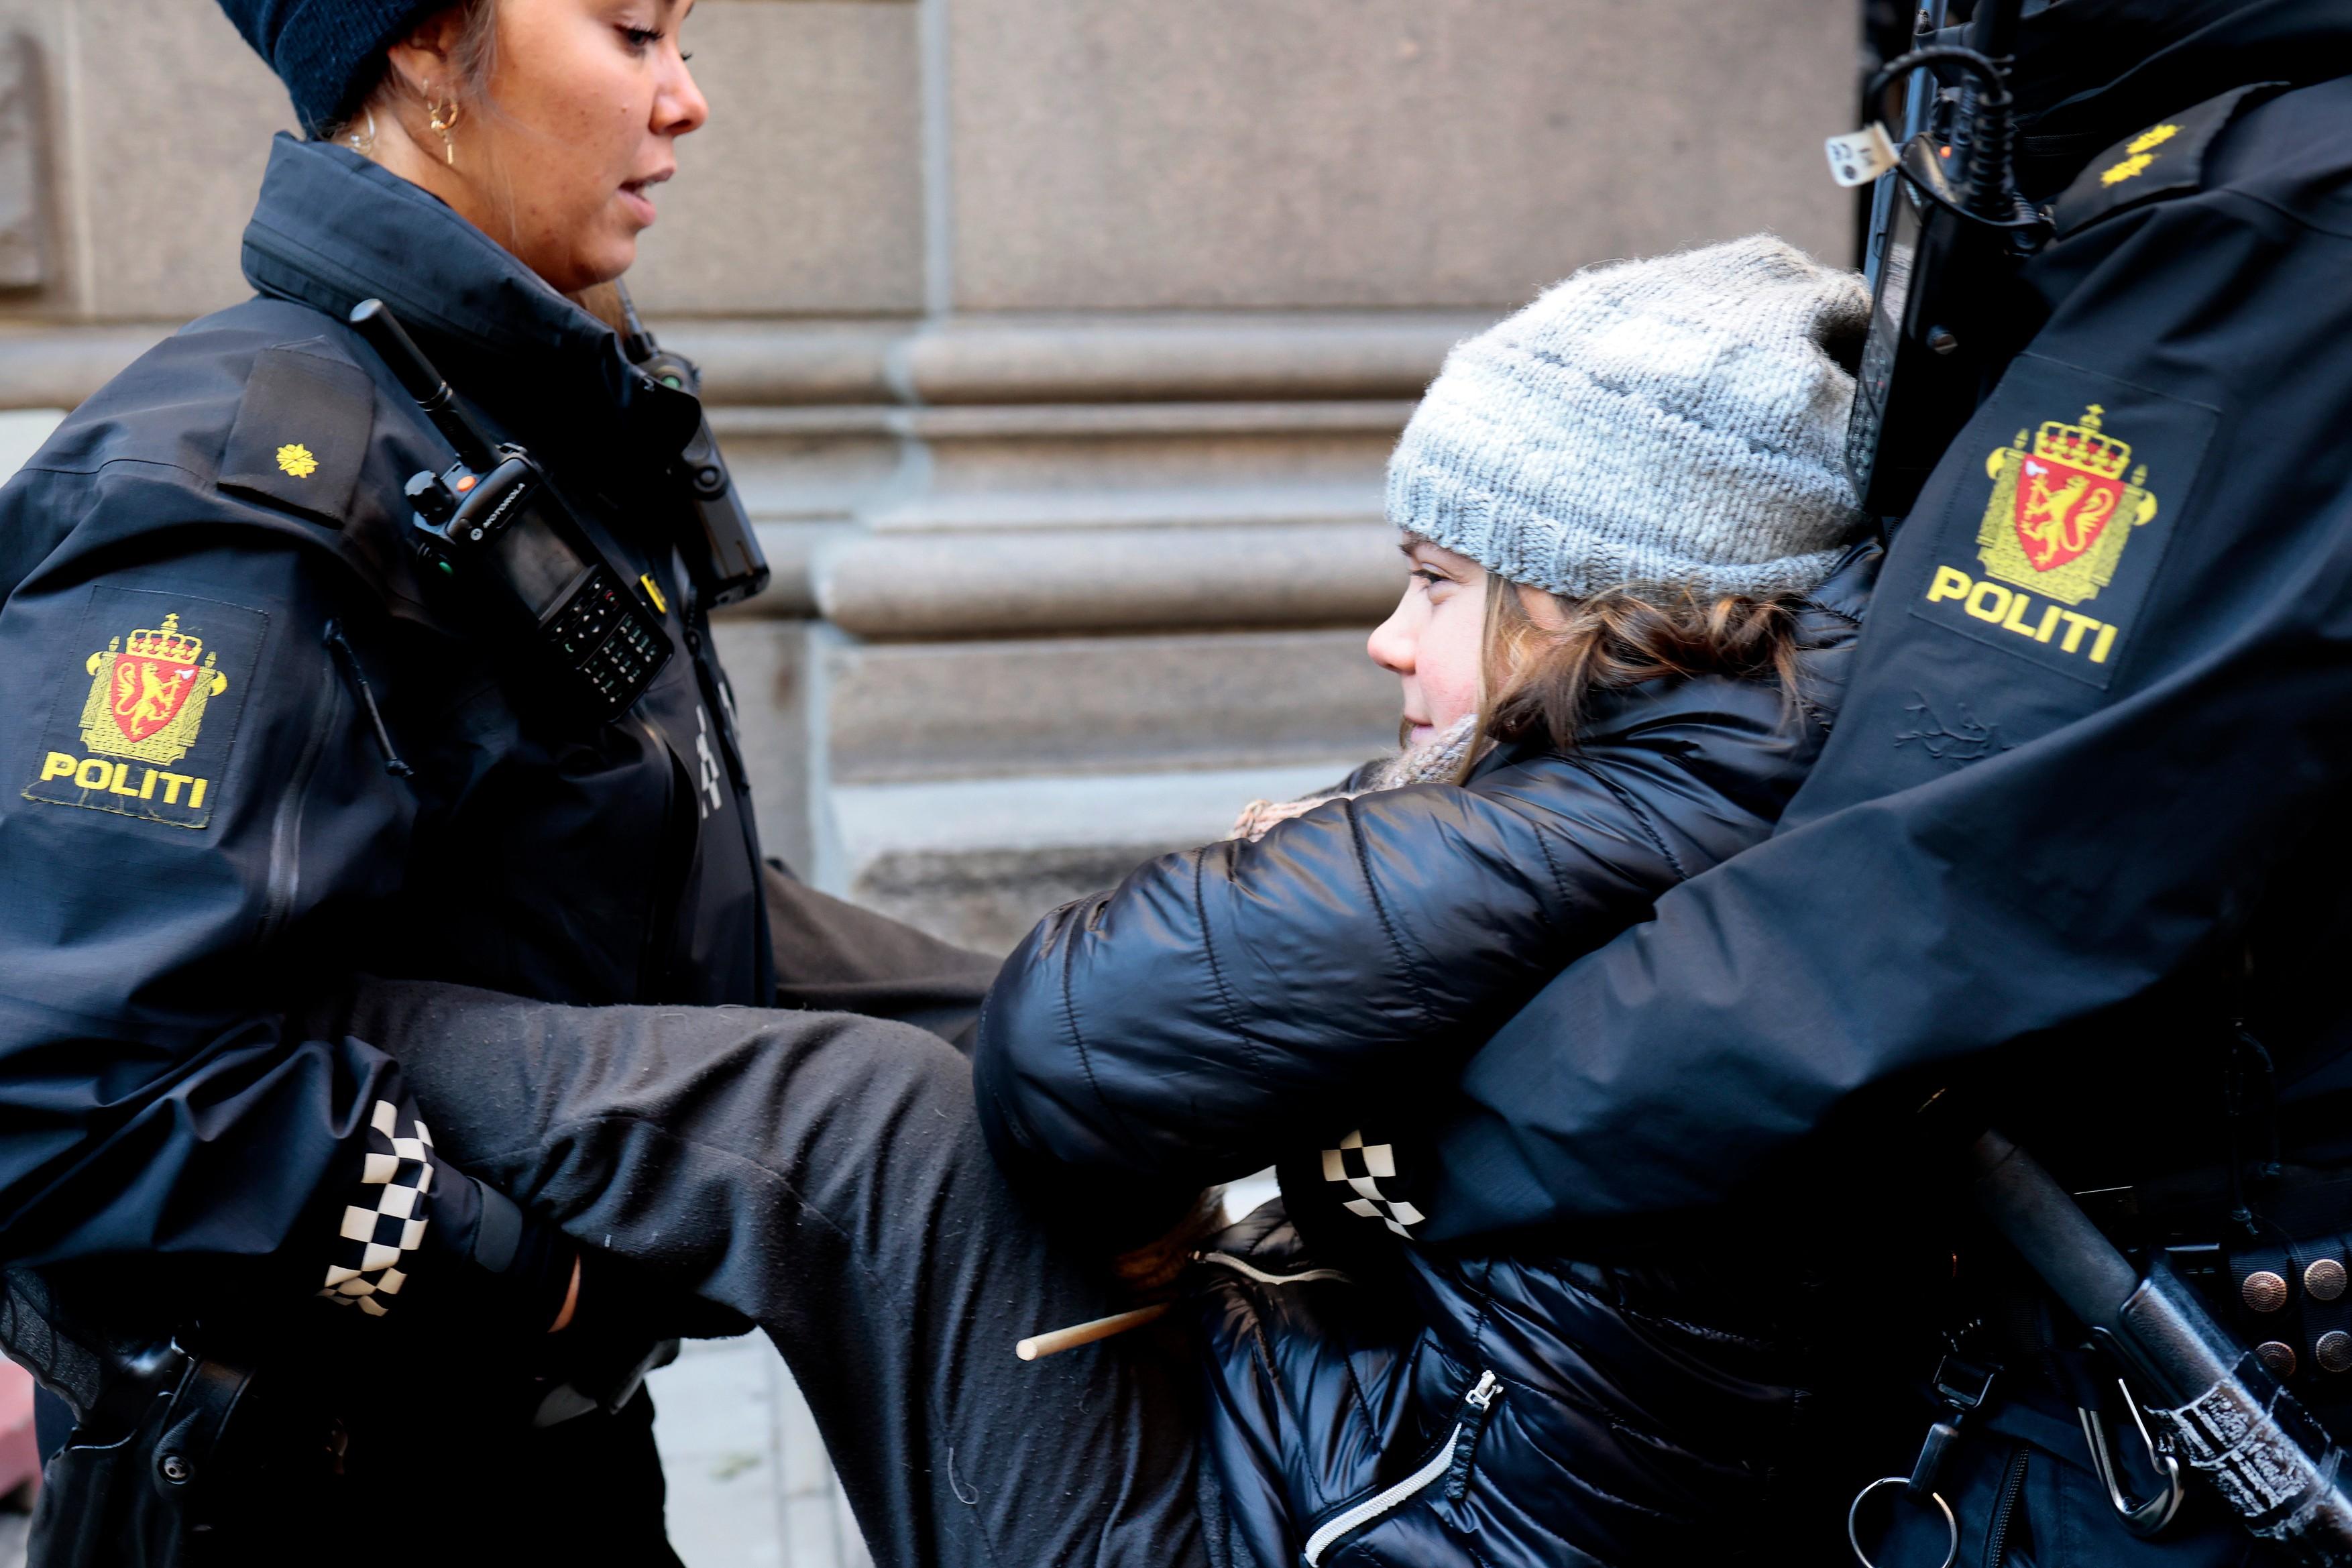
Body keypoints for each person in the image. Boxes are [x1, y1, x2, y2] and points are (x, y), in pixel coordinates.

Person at [320, 236, 1890, 1568]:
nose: (1387, 640)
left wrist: (1360, 825)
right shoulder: (1728, 772)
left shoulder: (1612, 814)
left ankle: (283, 1025)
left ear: (1580, 598)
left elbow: (1075, 1044)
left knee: (873, 1125)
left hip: (1335, 1517)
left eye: (1432, 579)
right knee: (922, 1029)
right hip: (1381, 1444)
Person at [1236, 3, 2352, 1565]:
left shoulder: (2263, 216)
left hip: (2173, 1388)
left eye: (1440, 580)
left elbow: (1941, 881)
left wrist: (1401, 1158)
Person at [0, 1, 1014, 1561]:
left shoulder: (483, 413)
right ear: (419, 44)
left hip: (552, 1466)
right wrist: (533, 1280)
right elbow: (83, 1083)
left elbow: (629, 898)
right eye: (629, 30)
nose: (685, 100)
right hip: (308, 1497)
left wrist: (1065, 1027)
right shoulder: (237, 472)